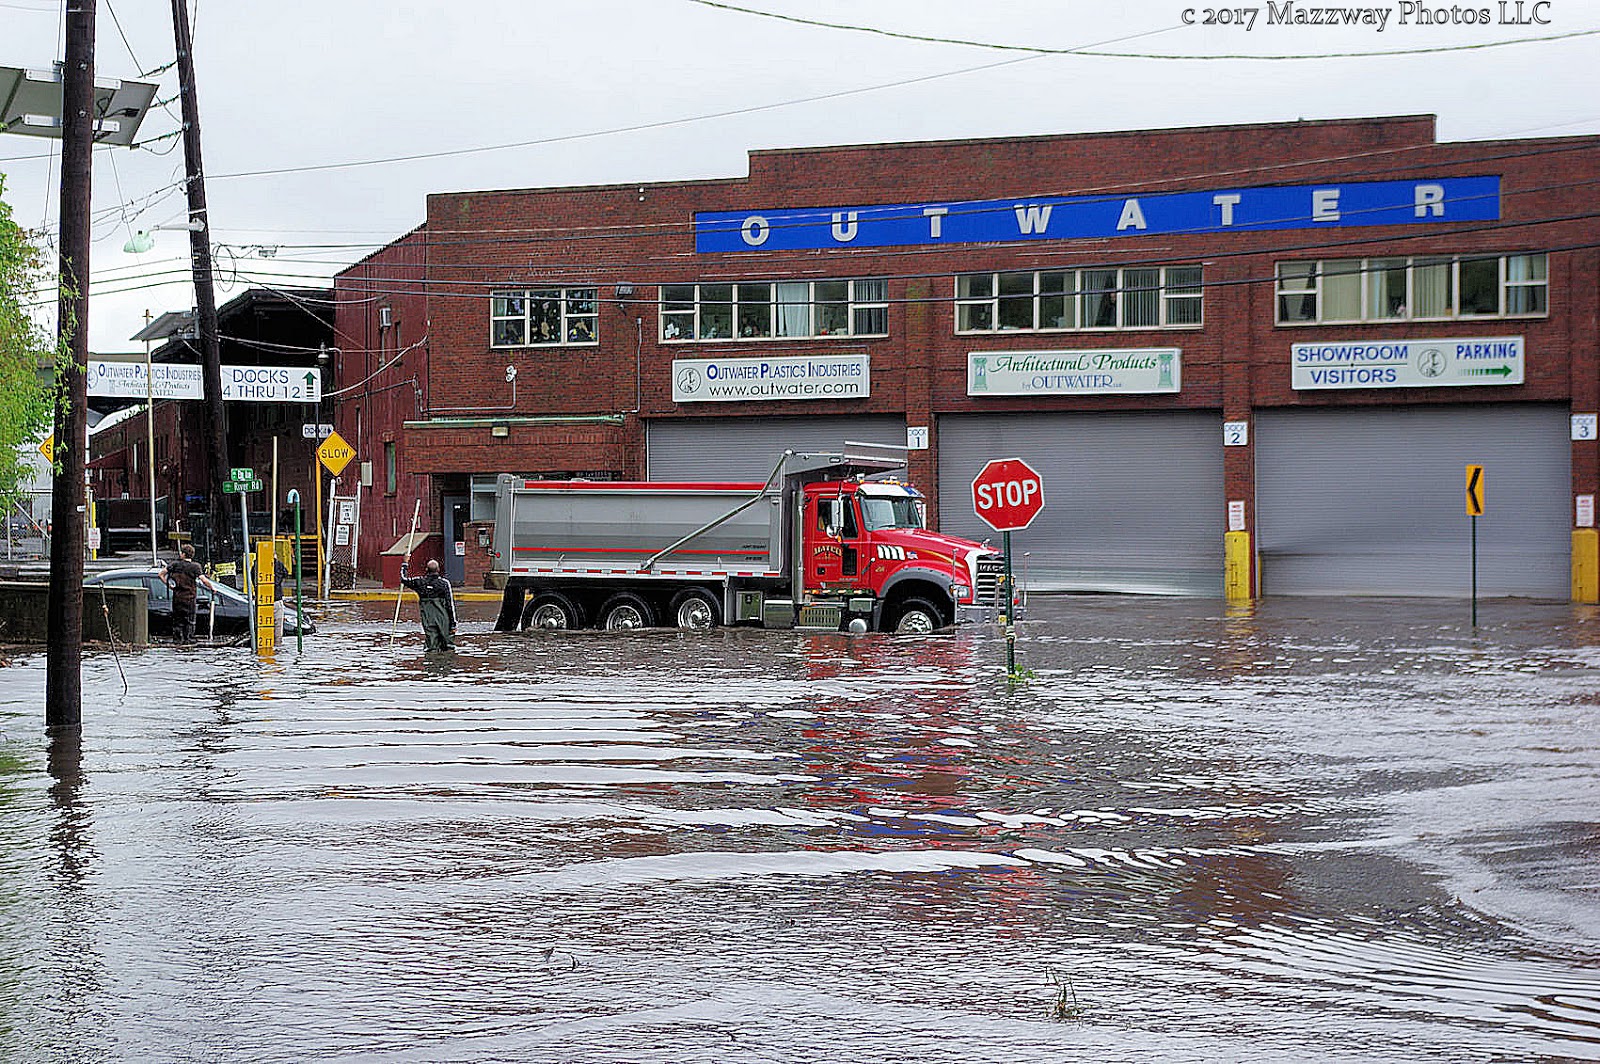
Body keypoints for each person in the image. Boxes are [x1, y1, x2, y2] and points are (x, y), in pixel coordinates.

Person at [161, 543, 217, 645]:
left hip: (177, 597)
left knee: (177, 621)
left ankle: (177, 641)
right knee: (190, 621)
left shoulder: (175, 565)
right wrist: (212, 588)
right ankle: (188, 640)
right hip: (190, 598)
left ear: (183, 554)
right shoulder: (195, 567)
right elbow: (203, 580)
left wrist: (169, 585)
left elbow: (161, 574)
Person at [400, 558, 457, 651]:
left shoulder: (419, 582)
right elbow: (449, 605)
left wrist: (405, 563)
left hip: (428, 618)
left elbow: (403, 579)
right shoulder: (444, 584)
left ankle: (431, 663)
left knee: (431, 645)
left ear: (426, 569)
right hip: (443, 619)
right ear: (438, 570)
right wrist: (453, 624)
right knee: (447, 645)